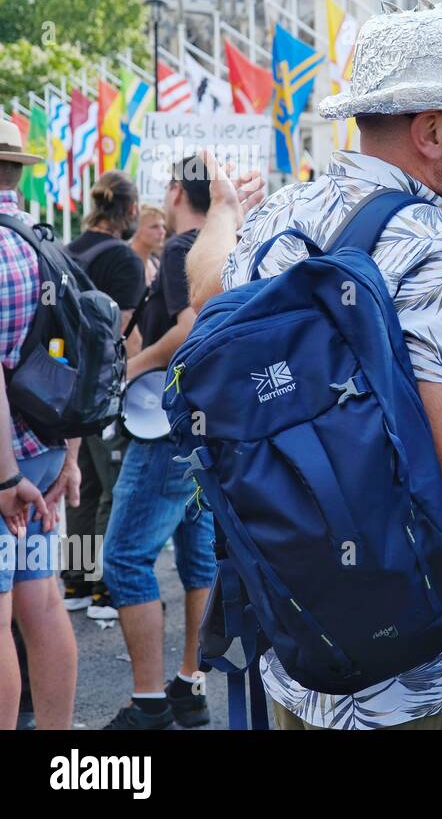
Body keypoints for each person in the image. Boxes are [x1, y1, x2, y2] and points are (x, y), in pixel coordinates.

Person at [186, 0, 442, 731]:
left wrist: (226, 209)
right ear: (430, 132)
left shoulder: (277, 217)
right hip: (425, 683)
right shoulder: (439, 245)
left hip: (302, 664)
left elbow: (205, 293)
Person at [100, 156, 234, 729]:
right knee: (199, 559)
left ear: (177, 190)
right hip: (204, 425)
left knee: (126, 557)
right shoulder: (220, 244)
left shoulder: (183, 248)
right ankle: (188, 685)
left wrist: (132, 369)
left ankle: (150, 699)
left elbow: (187, 327)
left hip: (166, 426)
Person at [0, 124, 80, 730]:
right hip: (48, 453)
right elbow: (75, 354)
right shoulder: (47, 244)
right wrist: (71, 460)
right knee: (44, 602)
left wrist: (5, 480)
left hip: (6, 468)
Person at [63, 172, 146, 615]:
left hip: (64, 391)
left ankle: (76, 582)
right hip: (106, 391)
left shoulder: (66, 250)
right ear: (130, 210)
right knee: (113, 486)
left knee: (83, 487)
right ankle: (104, 589)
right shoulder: (125, 261)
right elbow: (122, 336)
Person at [130, 203, 167, 287]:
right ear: (136, 229)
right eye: (154, 227)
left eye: (163, 226)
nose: (162, 232)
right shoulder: (124, 263)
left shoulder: (156, 263)